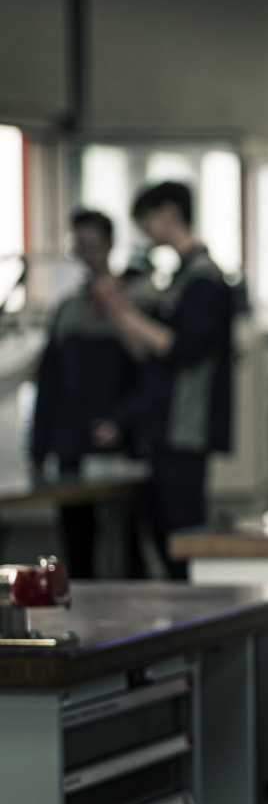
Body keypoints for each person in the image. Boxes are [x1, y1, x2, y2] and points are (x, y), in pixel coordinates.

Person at [92, 182, 234, 580]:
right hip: (162, 425)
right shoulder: (181, 277)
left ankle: (200, 634)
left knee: (182, 538)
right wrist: (119, 317)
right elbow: (153, 354)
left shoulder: (204, 278)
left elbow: (184, 349)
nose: (146, 231)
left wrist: (124, 313)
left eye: (147, 220)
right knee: (159, 533)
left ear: (169, 213)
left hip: (184, 426)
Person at [29, 209, 144, 577]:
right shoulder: (66, 312)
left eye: (92, 245)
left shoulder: (134, 305)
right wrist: (38, 446)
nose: (86, 255)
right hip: (71, 447)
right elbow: (49, 384)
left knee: (126, 547)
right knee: (77, 548)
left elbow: (151, 375)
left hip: (119, 445)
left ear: (110, 244)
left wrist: (121, 420)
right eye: (79, 246)